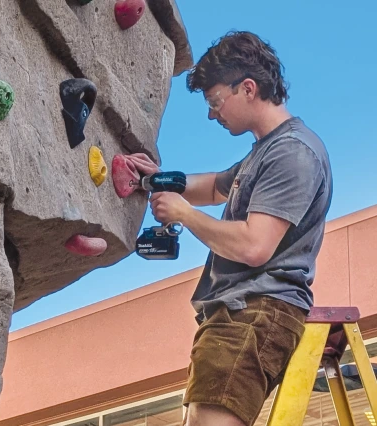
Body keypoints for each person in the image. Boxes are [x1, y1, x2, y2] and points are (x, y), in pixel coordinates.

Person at [127, 31, 333, 426]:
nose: (211, 114)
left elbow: (256, 246)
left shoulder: (293, 153)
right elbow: (217, 186)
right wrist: (157, 181)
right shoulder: (265, 151)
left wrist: (184, 214)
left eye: (215, 101)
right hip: (238, 311)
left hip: (255, 311)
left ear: (249, 88)